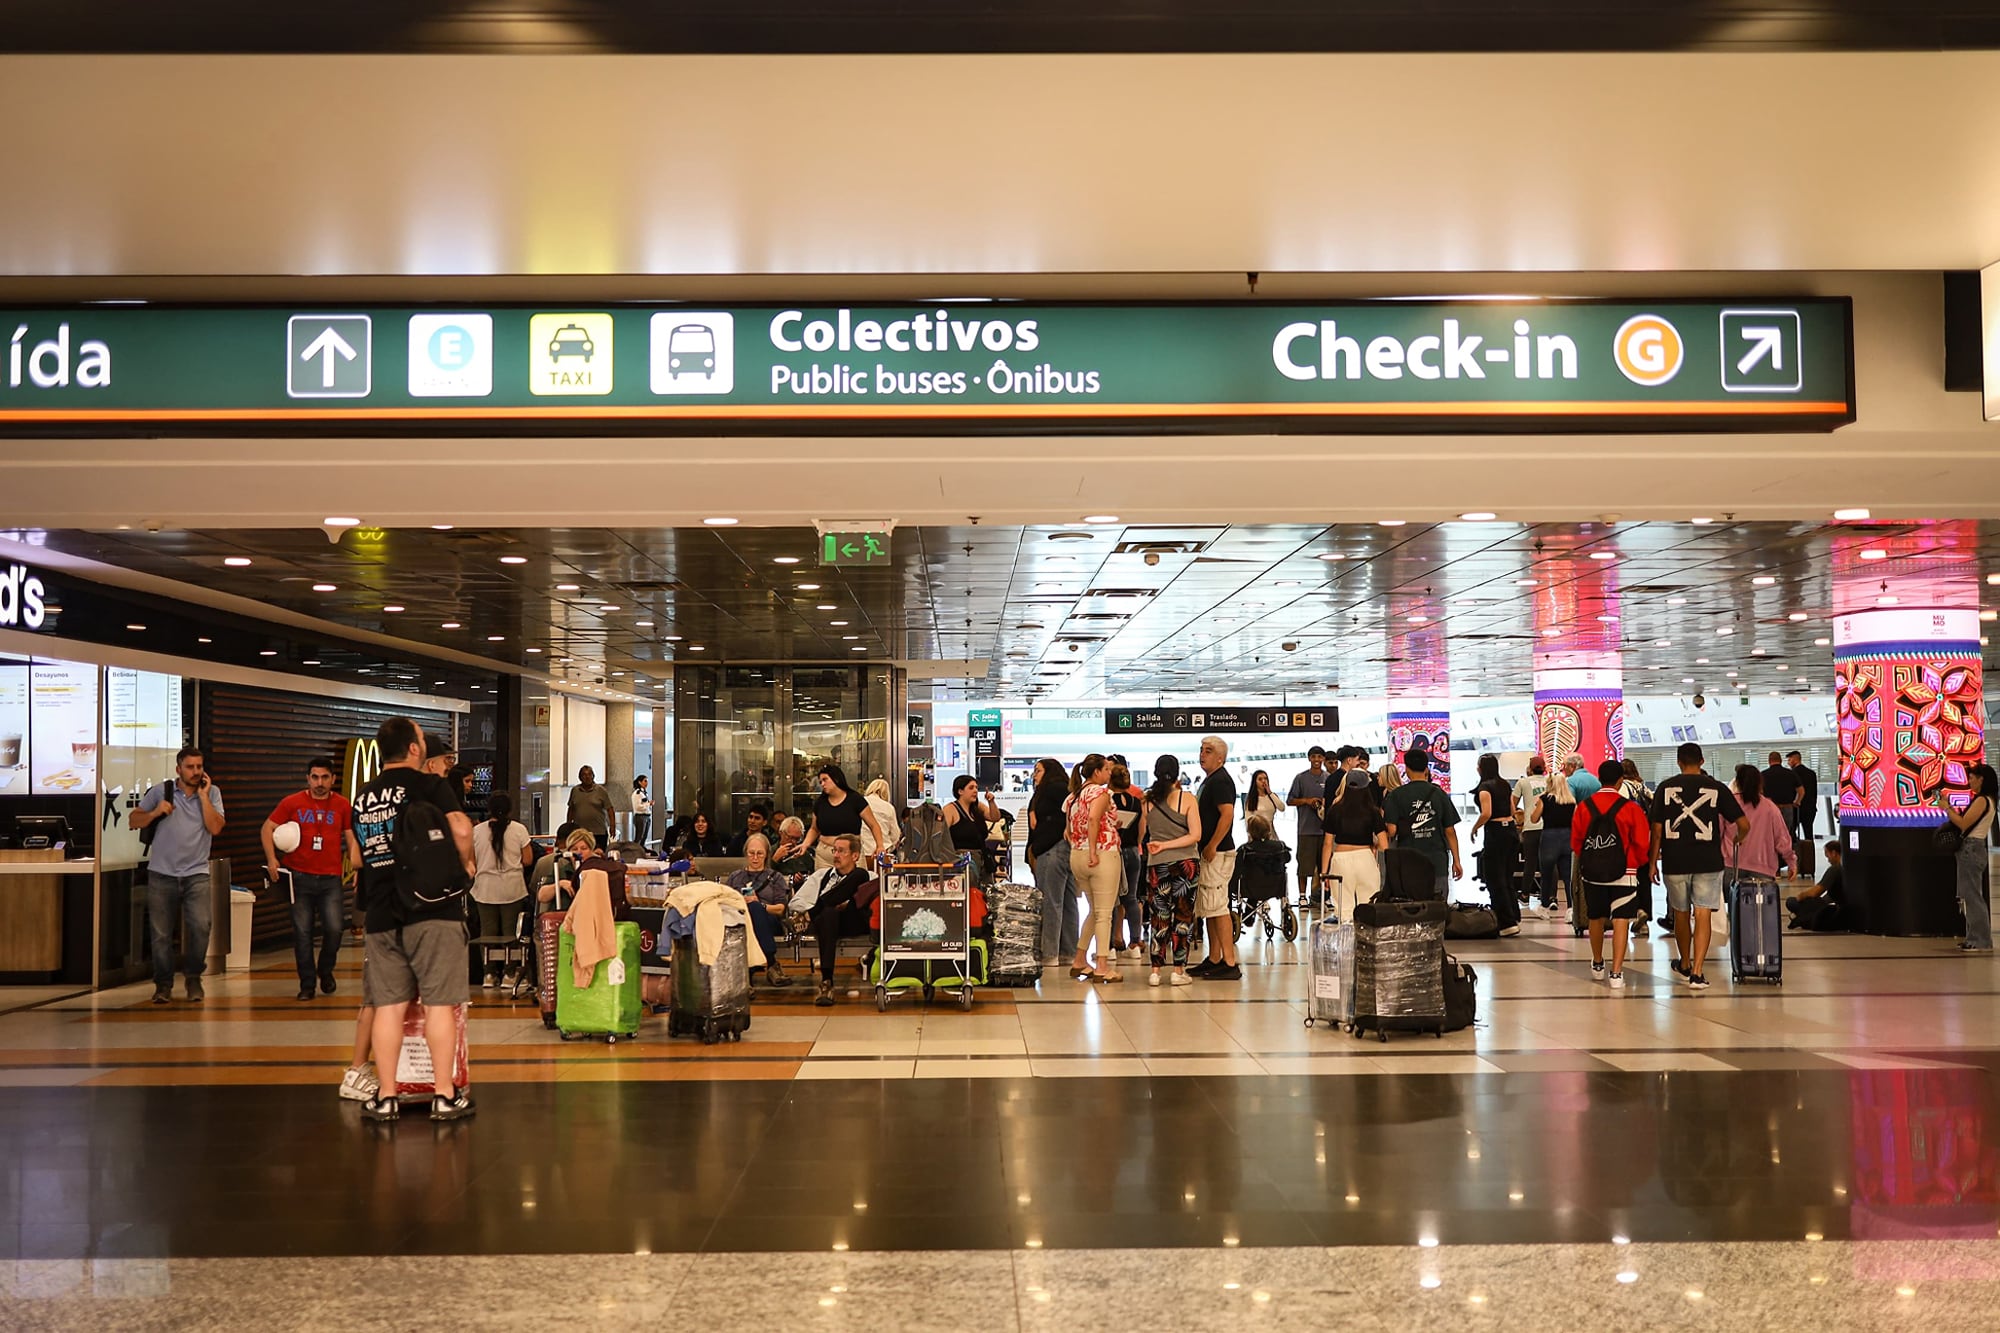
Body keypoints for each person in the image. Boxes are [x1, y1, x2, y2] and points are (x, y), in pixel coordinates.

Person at [351, 718, 477, 1123]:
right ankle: (444, 1095)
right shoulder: (429, 785)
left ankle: (387, 1096)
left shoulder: (363, 796)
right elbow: (461, 828)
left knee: (388, 1006)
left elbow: (358, 855)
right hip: (432, 908)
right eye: (421, 739)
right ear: (413, 748)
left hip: (381, 911)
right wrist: (465, 866)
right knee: (439, 1004)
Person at [131, 747, 227, 1005]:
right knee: (161, 934)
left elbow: (216, 827)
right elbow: (134, 820)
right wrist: (154, 812)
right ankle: (163, 984)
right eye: (190, 767)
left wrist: (204, 797)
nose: (195, 772)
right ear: (178, 769)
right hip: (162, 874)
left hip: (196, 873)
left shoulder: (213, 793)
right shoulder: (160, 792)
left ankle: (193, 976)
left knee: (201, 927)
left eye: (199, 767)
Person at [1649, 742, 1748, 991]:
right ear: (1702, 761)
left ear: (1679, 762)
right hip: (1708, 861)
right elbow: (1744, 824)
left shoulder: (1665, 788)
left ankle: (1684, 962)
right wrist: (1738, 839)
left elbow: (1657, 830)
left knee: (1681, 913)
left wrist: (1652, 863)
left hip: (1675, 860)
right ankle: (1697, 972)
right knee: (1703, 914)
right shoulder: (1716, 787)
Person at [261, 755, 360, 1003]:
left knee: (334, 929)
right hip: (299, 877)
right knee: (302, 933)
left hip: (330, 879)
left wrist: (357, 866)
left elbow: (351, 837)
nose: (319, 783)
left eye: (325, 777)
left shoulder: (342, 805)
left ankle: (325, 970)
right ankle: (307, 984)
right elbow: (267, 828)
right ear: (308, 778)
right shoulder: (292, 802)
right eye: (315, 777)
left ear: (333, 779)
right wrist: (272, 859)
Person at [1572, 758, 1652, 989]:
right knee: (1621, 920)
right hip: (1625, 871)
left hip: (1592, 872)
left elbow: (1576, 842)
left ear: (1599, 779)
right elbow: (1642, 843)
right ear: (1620, 781)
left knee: (1595, 917)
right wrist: (1636, 862)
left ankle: (1598, 962)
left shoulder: (1584, 807)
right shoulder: (1631, 808)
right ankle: (1616, 973)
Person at [1142, 754, 1203, 987]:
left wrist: (1160, 846)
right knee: (1183, 916)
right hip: (1186, 864)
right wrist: (1169, 845)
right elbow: (1195, 835)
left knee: (1159, 916)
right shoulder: (1187, 799)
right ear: (1177, 774)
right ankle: (1178, 970)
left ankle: (1155, 971)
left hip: (1156, 864)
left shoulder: (1147, 801)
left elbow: (1144, 834)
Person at [1066, 753, 1124, 983]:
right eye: (1107, 769)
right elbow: (1093, 819)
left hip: (1076, 855)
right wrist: (1093, 850)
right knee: (1104, 914)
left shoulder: (1073, 796)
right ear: (1097, 772)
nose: (1110, 773)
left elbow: (1068, 829)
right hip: (1102, 854)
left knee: (1094, 910)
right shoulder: (1100, 793)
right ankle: (1102, 966)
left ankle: (1079, 960)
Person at [469, 792, 533, 991]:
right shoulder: (519, 830)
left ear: (489, 809)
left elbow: (472, 861)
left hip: (484, 888)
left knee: (487, 932)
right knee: (511, 932)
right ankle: (509, 974)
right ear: (509, 809)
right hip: (512, 888)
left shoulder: (477, 831)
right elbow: (528, 859)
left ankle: (488, 974)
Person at [805, 833, 878, 1006]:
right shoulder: (823, 876)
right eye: (835, 850)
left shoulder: (861, 875)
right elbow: (801, 899)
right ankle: (827, 981)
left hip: (852, 921)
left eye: (841, 851)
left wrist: (811, 912)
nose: (836, 855)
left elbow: (854, 902)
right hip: (827, 923)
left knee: (831, 907)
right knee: (829, 913)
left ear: (855, 856)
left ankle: (812, 913)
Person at [1191, 736, 1241, 981]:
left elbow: (1227, 814)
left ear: (1220, 758)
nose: (1203, 754)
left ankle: (1229, 962)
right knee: (1209, 906)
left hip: (1218, 852)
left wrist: (1212, 844)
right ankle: (1214, 957)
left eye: (1208, 751)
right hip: (1209, 851)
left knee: (1219, 906)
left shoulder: (1221, 781)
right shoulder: (1210, 780)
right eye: (1201, 750)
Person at [1383, 745, 1461, 891]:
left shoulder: (1396, 795)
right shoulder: (1439, 794)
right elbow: (1450, 830)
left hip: (1408, 861)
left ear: (1407, 770)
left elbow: (1392, 830)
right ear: (1426, 769)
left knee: (1411, 903)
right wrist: (1456, 861)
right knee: (1437, 901)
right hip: (1437, 861)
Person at [1320, 763, 1387, 920]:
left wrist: (1324, 872)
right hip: (1366, 858)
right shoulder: (1373, 811)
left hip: (1340, 860)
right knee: (1369, 908)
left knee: (1344, 910)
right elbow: (1384, 844)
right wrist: (1375, 847)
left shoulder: (1335, 809)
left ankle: (1346, 935)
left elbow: (1328, 844)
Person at [1026, 756, 1076, 965]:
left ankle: (1049, 952)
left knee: (1050, 901)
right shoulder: (1062, 789)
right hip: (1065, 850)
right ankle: (1068, 951)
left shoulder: (1052, 789)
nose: (1034, 775)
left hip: (1051, 849)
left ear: (1049, 771)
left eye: (1038, 770)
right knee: (1068, 901)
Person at [1942, 764, 1997, 952]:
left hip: (1971, 848)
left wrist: (1948, 808)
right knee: (1970, 894)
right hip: (1975, 848)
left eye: (1972, 778)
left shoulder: (1982, 800)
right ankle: (1974, 937)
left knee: (1972, 896)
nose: (1969, 782)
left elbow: (1964, 824)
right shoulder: (1989, 800)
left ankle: (1980, 940)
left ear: (1982, 780)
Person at [727, 833, 792, 985]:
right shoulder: (735, 877)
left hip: (769, 921)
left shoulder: (775, 877)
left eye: (759, 854)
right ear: (746, 854)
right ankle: (771, 963)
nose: (755, 858)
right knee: (749, 913)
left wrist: (760, 905)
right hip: (740, 921)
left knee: (755, 907)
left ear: (766, 855)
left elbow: (780, 909)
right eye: (751, 853)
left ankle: (747, 977)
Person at [797, 764, 887, 872]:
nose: (822, 784)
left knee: (857, 881)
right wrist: (805, 844)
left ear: (836, 778)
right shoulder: (820, 803)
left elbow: (873, 825)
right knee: (824, 882)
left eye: (825, 780)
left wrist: (880, 845)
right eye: (820, 782)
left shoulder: (855, 800)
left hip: (851, 854)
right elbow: (814, 829)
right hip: (825, 855)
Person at [1470, 753, 1522, 936]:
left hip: (1496, 832)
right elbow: (1513, 810)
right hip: (1511, 832)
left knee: (1494, 878)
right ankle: (1514, 915)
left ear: (1481, 769)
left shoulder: (1485, 788)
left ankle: (1506, 922)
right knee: (1507, 876)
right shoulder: (1505, 784)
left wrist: (1474, 828)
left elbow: (1487, 813)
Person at [1107, 761, 1146, 958]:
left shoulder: (1107, 800)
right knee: (1131, 898)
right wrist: (1136, 844)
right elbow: (1142, 828)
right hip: (1133, 851)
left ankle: (1110, 947)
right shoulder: (1136, 802)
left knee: (1112, 899)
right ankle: (1135, 944)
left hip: (1114, 851)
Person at [1286, 746, 1331, 910]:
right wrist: (1307, 801)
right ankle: (1302, 896)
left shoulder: (1329, 778)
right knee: (1304, 867)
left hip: (1325, 831)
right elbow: (1290, 800)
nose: (1317, 760)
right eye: (1314, 757)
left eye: (1319, 757)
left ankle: (1323, 896)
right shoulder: (1301, 778)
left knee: (1325, 867)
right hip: (1306, 830)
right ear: (1309, 758)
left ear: (1323, 759)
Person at [1531, 762, 1577, 913]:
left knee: (1547, 875)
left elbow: (1534, 819)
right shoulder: (1571, 801)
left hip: (1549, 838)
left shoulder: (1544, 799)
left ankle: (1544, 906)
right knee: (1568, 876)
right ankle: (1571, 909)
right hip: (1568, 837)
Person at [941, 774, 999, 885]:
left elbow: (995, 817)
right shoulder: (950, 809)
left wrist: (991, 802)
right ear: (960, 791)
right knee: (969, 889)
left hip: (982, 857)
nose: (975, 791)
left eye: (976, 787)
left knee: (985, 890)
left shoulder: (978, 807)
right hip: (962, 859)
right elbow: (942, 835)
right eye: (971, 788)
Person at [1513, 756, 1549, 913]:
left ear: (1530, 768)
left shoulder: (1523, 782)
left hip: (1530, 827)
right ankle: (1551, 897)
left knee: (1530, 863)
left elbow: (1513, 802)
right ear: (1544, 768)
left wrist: (1516, 817)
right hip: (1547, 827)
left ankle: (1525, 894)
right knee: (1549, 864)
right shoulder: (1550, 782)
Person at [1787, 841, 1846, 932]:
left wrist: (1802, 896)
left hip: (1833, 908)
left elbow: (1816, 892)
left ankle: (1803, 915)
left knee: (1791, 901)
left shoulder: (1835, 869)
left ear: (1834, 853)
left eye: (1828, 856)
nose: (1828, 860)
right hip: (1842, 908)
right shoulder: (1846, 867)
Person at [566, 765, 616, 847]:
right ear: (580, 777)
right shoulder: (575, 791)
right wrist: (568, 825)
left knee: (598, 853)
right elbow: (571, 809)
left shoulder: (601, 790)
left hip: (598, 832)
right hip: (579, 833)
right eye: (584, 775)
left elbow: (610, 809)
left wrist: (612, 826)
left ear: (593, 776)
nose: (587, 777)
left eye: (589, 774)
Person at [861, 777, 902, 860]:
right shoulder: (889, 807)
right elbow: (895, 834)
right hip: (882, 852)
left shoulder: (860, 802)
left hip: (862, 851)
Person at [1762, 750, 1799, 839]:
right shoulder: (1791, 773)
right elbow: (1801, 790)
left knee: (1771, 834)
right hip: (1787, 807)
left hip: (1770, 808)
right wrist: (1797, 802)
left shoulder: (1762, 775)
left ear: (1769, 761)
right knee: (1786, 834)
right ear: (1781, 760)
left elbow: (1759, 792)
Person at [1787, 751, 1820, 842]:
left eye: (1789, 760)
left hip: (1796, 808)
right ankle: (1810, 851)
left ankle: (1795, 849)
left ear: (1795, 759)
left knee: (1791, 833)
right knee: (1808, 834)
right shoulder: (1811, 773)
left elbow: (1791, 791)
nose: (1788, 763)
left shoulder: (1792, 774)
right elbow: (1814, 792)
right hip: (1809, 808)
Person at [630, 775, 653, 848]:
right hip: (640, 816)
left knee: (644, 837)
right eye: (645, 781)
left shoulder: (644, 793)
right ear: (639, 782)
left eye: (647, 781)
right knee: (639, 836)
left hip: (647, 816)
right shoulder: (637, 793)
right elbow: (637, 807)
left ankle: (642, 849)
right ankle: (635, 850)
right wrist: (648, 804)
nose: (646, 783)